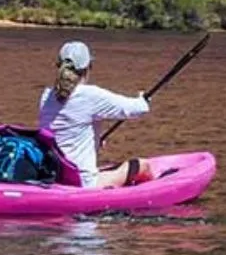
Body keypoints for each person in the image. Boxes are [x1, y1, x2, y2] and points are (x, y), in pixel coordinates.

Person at [37, 41, 151, 188]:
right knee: (142, 165)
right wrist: (143, 99)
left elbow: (65, 132)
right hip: (84, 183)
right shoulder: (91, 95)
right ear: (88, 68)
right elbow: (138, 109)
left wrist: (94, 141)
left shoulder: (47, 96)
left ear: (58, 66)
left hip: (54, 177)